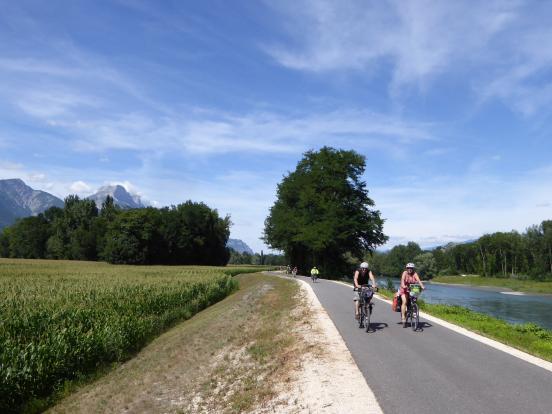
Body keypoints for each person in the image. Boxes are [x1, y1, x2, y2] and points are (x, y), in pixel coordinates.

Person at [400, 263, 425, 327]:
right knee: (404, 301)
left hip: (412, 289)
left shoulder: (415, 274)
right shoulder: (404, 273)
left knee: (414, 299)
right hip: (404, 289)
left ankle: (414, 310)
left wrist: (422, 286)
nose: (409, 269)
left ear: (413, 269)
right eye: (408, 268)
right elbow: (402, 280)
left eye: (411, 268)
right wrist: (403, 285)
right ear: (406, 268)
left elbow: (419, 280)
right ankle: (403, 317)